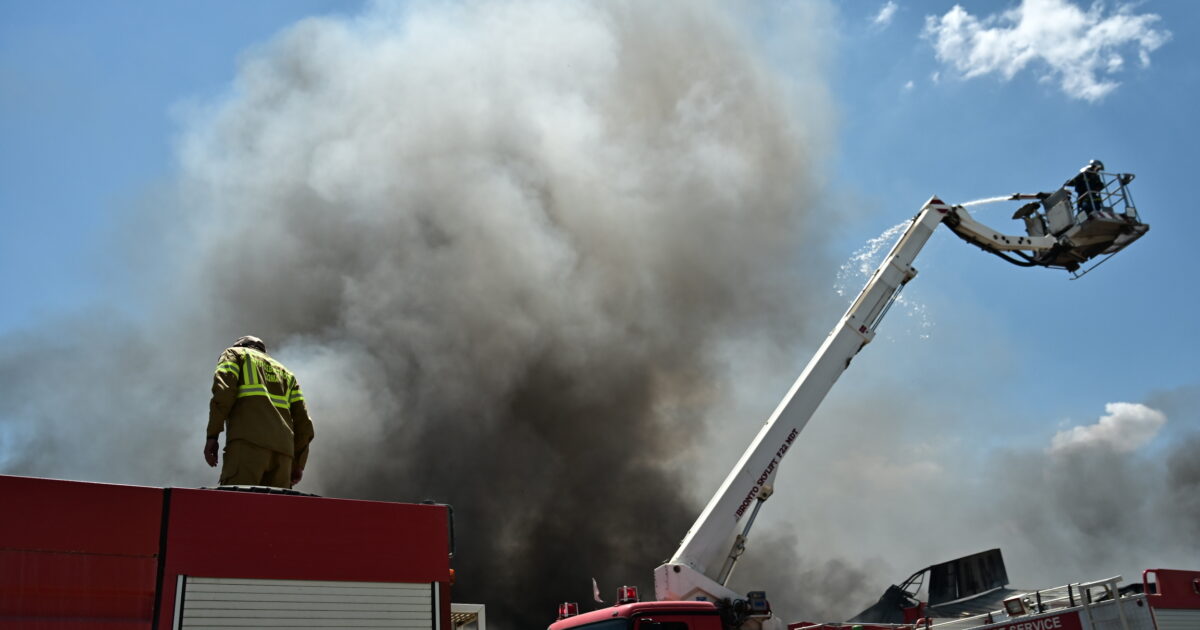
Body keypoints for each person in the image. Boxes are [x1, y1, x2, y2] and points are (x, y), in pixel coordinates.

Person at [204, 335, 315, 488]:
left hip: (248, 445)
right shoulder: (287, 374)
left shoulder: (234, 354)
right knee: (273, 504)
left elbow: (223, 394)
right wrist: (298, 463)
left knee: (237, 501)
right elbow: (304, 424)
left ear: (240, 346)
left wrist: (212, 435)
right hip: (283, 455)